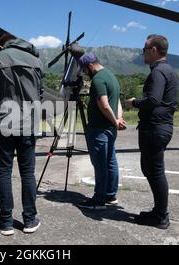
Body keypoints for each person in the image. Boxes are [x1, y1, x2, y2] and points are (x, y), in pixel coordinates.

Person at [0, 35, 43, 236]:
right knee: (28, 173)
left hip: (4, 122)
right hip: (29, 122)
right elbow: (40, 94)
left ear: (3, 44)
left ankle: (6, 222)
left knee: (4, 172)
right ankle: (29, 220)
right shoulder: (36, 61)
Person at [125, 34, 179, 229]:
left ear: (154, 50)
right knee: (150, 169)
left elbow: (154, 100)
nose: (142, 53)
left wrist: (134, 103)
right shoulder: (168, 71)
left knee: (155, 172)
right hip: (160, 127)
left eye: (144, 49)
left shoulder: (158, 72)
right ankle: (158, 212)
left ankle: (160, 216)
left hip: (155, 129)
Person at [75, 53, 126, 211]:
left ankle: (99, 199)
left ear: (90, 66)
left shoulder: (97, 79)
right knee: (111, 161)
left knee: (100, 164)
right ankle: (110, 195)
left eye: (84, 70)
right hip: (110, 129)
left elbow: (104, 105)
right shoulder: (111, 76)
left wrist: (114, 120)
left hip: (99, 129)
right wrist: (118, 119)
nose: (85, 74)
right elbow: (116, 100)